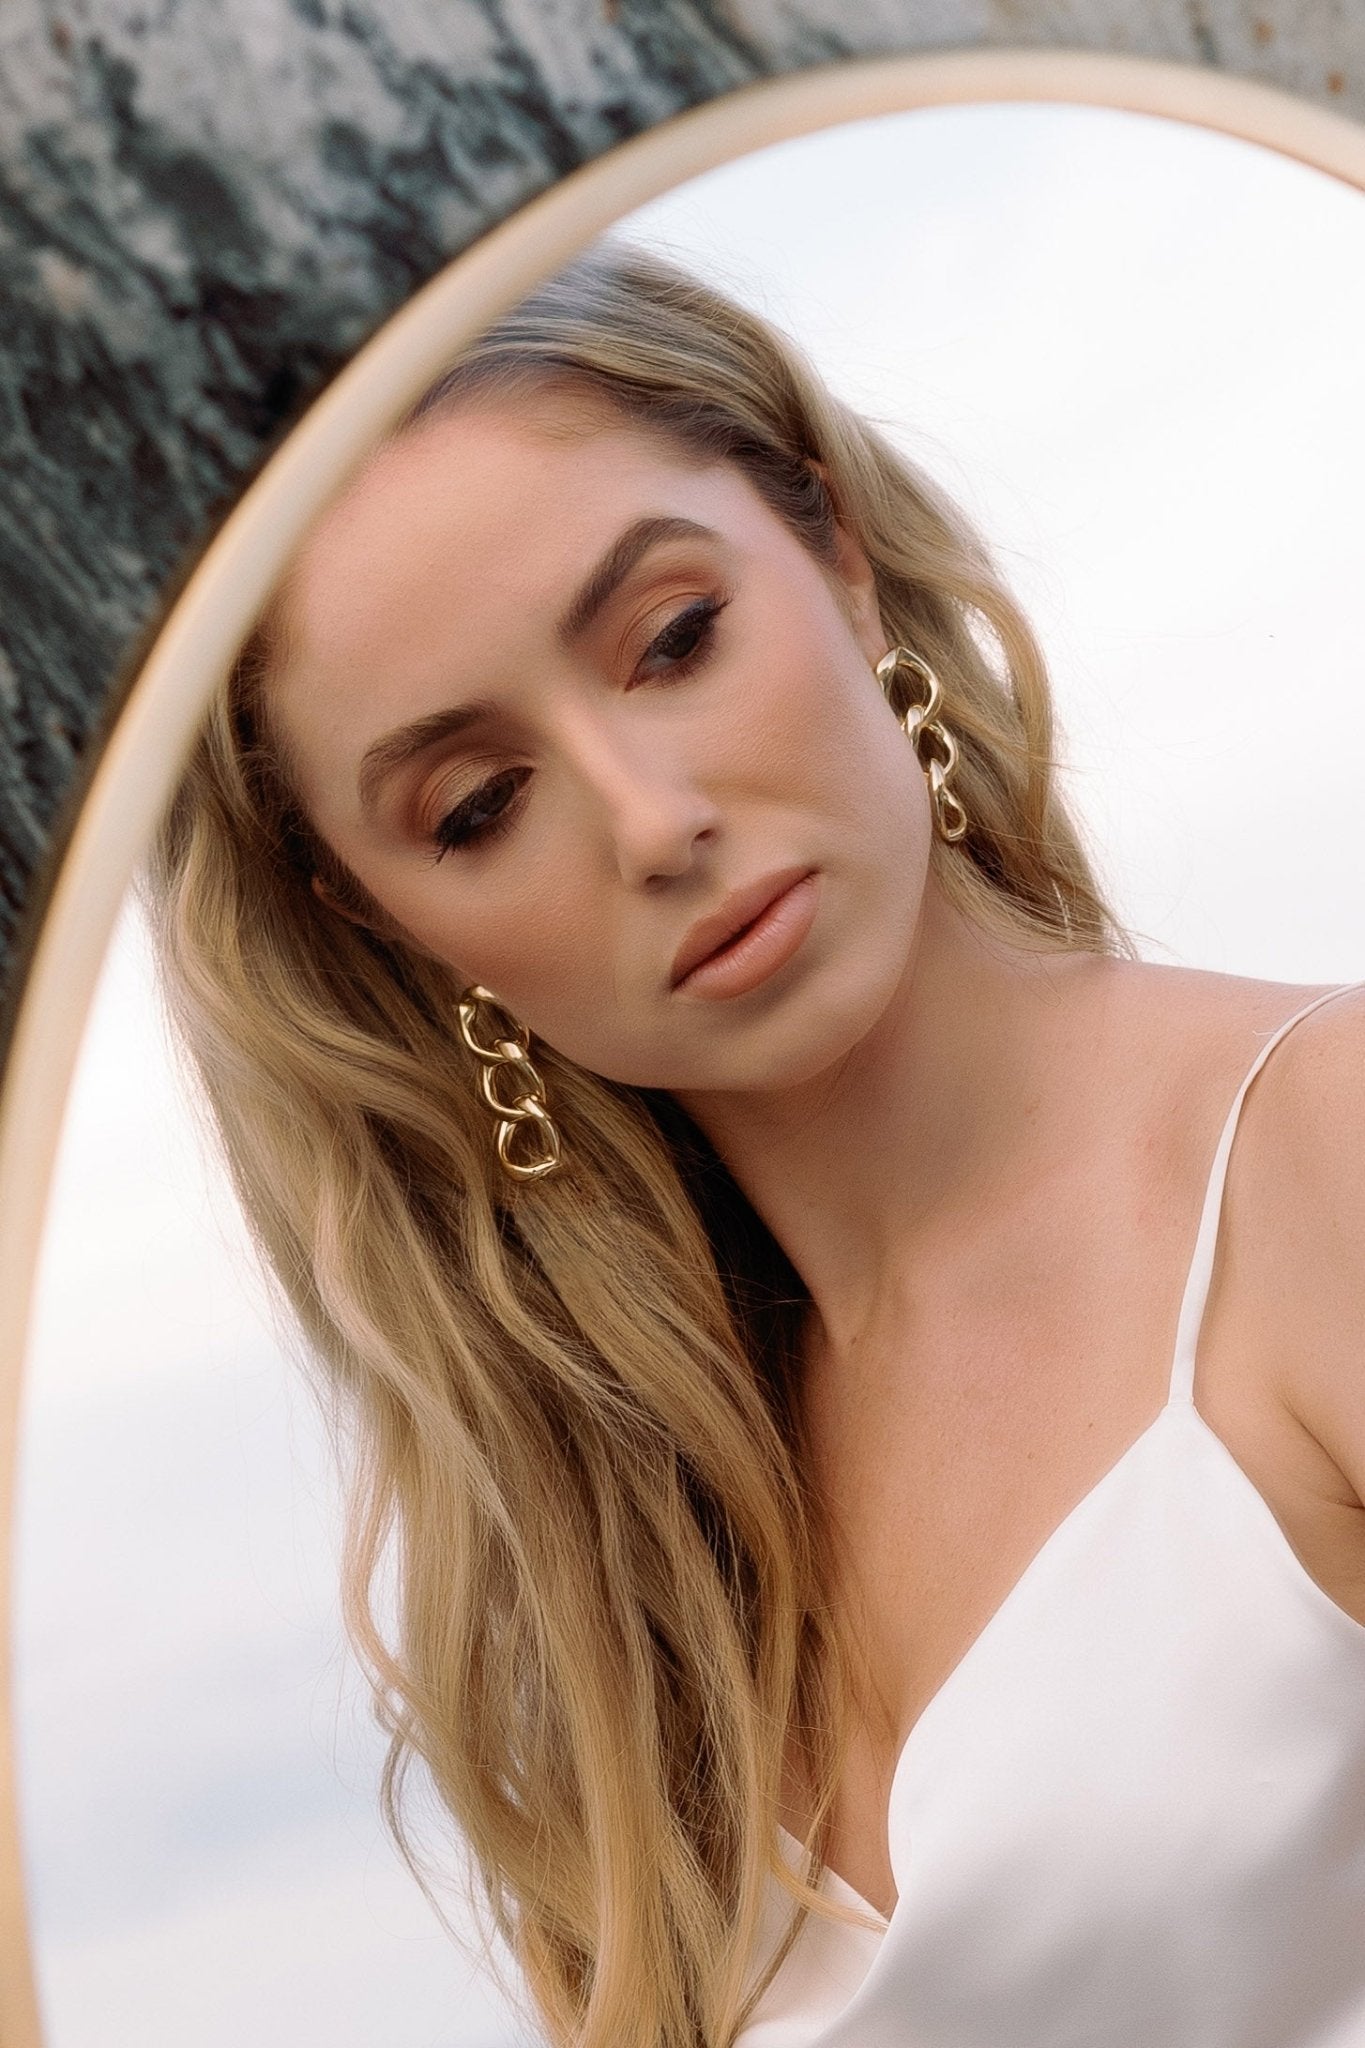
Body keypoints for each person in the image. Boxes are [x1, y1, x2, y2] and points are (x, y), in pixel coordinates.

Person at [142, 241, 1365, 2048]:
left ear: (834, 552)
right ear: (388, 923)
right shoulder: (620, 1583)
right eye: (477, 807)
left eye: (675, 640)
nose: (652, 821)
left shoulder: (1319, 1158)